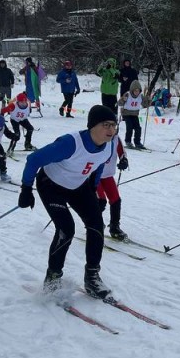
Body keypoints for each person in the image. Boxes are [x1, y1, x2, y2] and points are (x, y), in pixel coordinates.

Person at [18, 105, 119, 296]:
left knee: (97, 224)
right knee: (66, 228)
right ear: (92, 126)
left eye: (114, 125)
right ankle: (53, 277)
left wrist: (95, 191)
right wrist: (25, 189)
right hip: (51, 186)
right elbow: (33, 160)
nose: (111, 130)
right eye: (106, 125)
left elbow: (98, 166)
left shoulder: (110, 144)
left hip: (78, 186)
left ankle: (92, 276)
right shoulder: (71, 143)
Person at [96, 137, 130, 239]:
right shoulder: (95, 136)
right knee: (100, 201)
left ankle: (114, 227)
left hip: (107, 175)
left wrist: (124, 160)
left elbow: (122, 152)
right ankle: (95, 225)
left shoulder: (116, 139)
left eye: (114, 126)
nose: (112, 129)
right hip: (94, 175)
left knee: (116, 200)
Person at [120, 79, 144, 148]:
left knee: (138, 128)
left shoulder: (140, 96)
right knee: (129, 127)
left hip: (135, 114)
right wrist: (123, 100)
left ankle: (137, 142)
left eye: (138, 91)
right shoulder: (127, 94)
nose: (137, 92)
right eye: (135, 90)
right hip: (126, 114)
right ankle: (128, 141)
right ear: (132, 90)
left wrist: (148, 101)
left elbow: (145, 104)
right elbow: (119, 103)